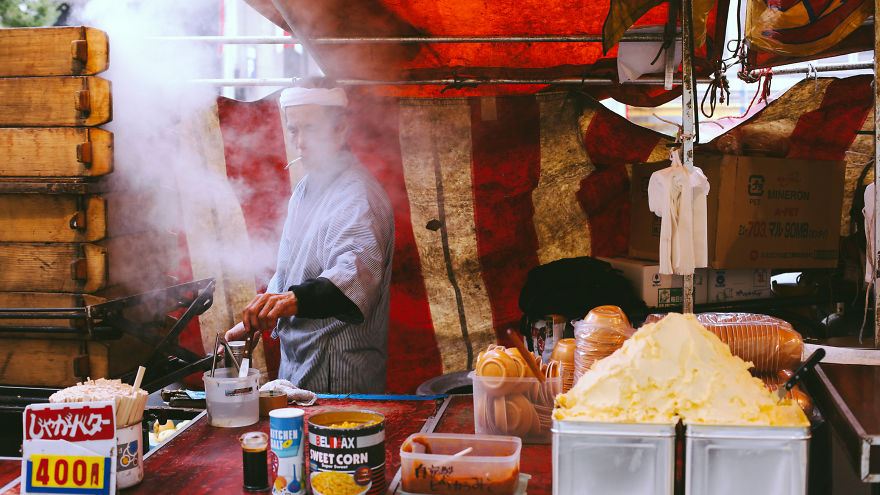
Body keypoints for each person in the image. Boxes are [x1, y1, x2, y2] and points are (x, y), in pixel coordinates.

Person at [225, 86, 394, 394]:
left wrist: (284, 303)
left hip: (339, 373)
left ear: (341, 127)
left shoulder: (357, 196)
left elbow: (353, 280)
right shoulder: (304, 189)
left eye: (311, 129)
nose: (301, 143)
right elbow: (290, 269)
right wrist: (254, 321)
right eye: (294, 130)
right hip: (297, 368)